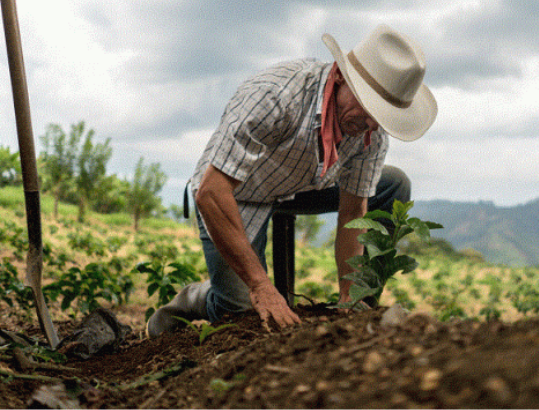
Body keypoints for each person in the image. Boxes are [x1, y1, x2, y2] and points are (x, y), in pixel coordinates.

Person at [146, 24, 437, 337]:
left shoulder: (370, 131)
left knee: (394, 185)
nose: (370, 125)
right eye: (368, 108)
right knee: (242, 311)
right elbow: (212, 192)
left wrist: (350, 300)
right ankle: (197, 298)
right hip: (236, 191)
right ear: (340, 77)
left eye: (381, 117)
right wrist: (260, 286)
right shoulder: (276, 96)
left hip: (301, 185)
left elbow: (354, 212)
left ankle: (362, 303)